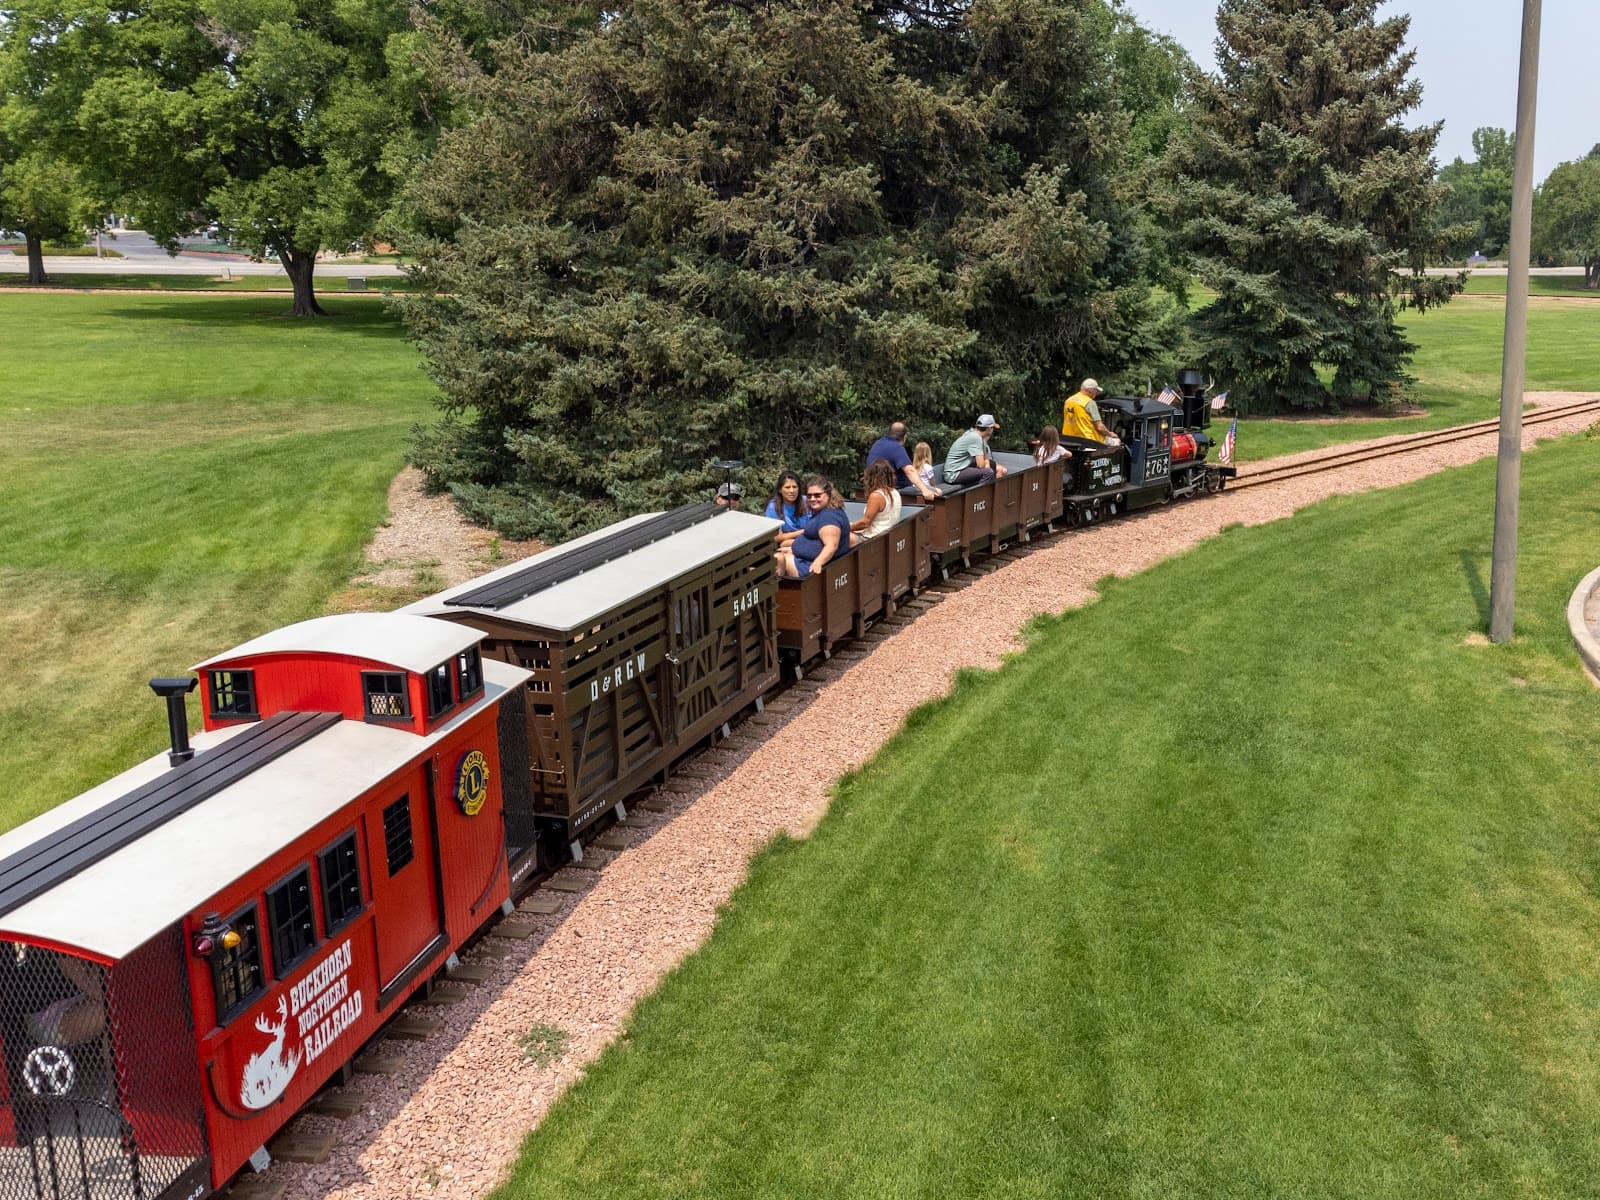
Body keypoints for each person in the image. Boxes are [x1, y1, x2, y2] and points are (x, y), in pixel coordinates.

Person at [777, 476, 852, 578]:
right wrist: (794, 550)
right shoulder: (824, 512)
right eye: (809, 496)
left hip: (806, 568)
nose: (812, 499)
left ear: (828, 495)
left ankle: (772, 592)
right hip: (803, 560)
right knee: (780, 552)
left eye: (817, 495)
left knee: (774, 560)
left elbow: (831, 546)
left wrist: (818, 562)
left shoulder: (829, 517)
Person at [865, 421, 941, 501]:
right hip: (897, 490)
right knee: (938, 491)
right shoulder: (896, 447)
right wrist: (925, 491)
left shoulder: (878, 443)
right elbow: (909, 470)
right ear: (904, 437)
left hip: (873, 487)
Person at [942, 414, 1008, 487]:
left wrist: (987, 462)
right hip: (954, 473)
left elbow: (986, 458)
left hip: (962, 467)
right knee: (988, 472)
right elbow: (980, 465)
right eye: (993, 428)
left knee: (992, 464)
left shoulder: (975, 434)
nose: (993, 430)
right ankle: (981, 496)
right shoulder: (975, 438)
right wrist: (986, 463)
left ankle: (992, 491)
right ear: (989, 429)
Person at [851, 460, 903, 539]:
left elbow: (865, 523)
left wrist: (847, 527)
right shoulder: (895, 492)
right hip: (889, 536)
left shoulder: (876, 496)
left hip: (874, 538)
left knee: (842, 537)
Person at [1061, 378, 1117, 445]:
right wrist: (1110, 434)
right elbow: (1100, 427)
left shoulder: (1068, 400)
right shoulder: (1089, 402)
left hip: (1067, 439)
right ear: (1091, 390)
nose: (1096, 393)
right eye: (1096, 391)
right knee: (1117, 441)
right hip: (1087, 440)